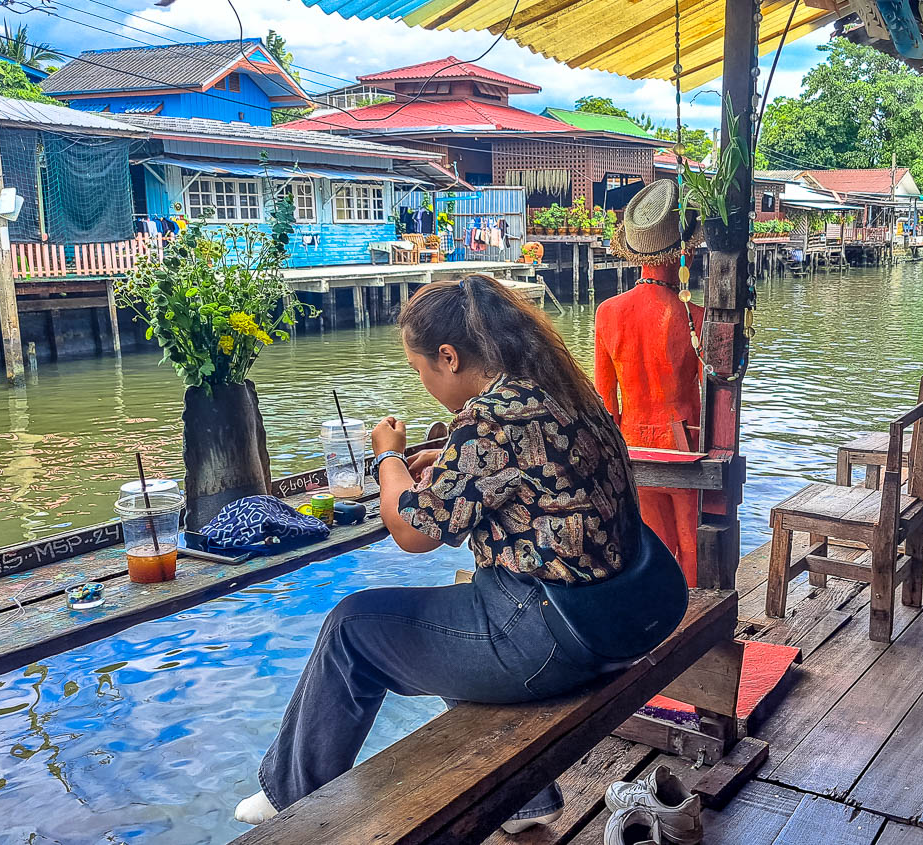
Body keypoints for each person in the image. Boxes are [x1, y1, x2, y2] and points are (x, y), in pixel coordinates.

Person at [235, 274, 678, 833]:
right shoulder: (562, 390)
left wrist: (388, 460)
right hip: (624, 618)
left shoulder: (489, 417)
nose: (423, 384)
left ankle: (289, 797)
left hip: (561, 640)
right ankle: (527, 803)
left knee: (353, 627)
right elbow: (519, 473)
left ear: (448, 356)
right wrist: (448, 461)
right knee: (451, 607)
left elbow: (413, 532)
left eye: (420, 370)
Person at [595, 180, 705, 583]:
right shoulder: (694, 315)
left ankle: (664, 624)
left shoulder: (607, 312)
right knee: (692, 543)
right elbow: (714, 390)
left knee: (654, 546)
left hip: (631, 442)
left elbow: (605, 400)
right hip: (684, 440)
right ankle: (698, 622)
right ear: (684, 253)